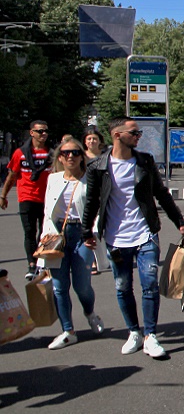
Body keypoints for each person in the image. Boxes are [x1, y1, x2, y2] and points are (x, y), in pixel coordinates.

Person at [81, 117, 184, 359]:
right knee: (122, 286)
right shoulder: (98, 166)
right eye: (134, 132)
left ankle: (150, 335)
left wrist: (178, 220)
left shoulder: (144, 161)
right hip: (115, 237)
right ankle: (134, 332)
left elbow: (161, 194)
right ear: (117, 135)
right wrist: (86, 232)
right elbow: (92, 202)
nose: (138, 135)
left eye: (139, 132)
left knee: (149, 283)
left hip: (145, 232)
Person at [37, 136, 105, 350]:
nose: (70, 157)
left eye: (75, 152)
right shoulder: (54, 179)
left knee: (82, 285)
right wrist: (45, 237)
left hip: (82, 234)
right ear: (60, 157)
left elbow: (98, 208)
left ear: (82, 156)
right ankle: (68, 331)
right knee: (59, 286)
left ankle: (90, 313)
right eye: (66, 153)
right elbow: (48, 211)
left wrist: (93, 234)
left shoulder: (90, 179)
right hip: (58, 235)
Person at [1, 121, 53, 280]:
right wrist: (3, 196)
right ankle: (31, 264)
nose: (43, 134)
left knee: (45, 232)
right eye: (40, 131)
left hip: (47, 197)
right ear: (32, 133)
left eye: (45, 131)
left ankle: (40, 261)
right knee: (29, 232)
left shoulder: (51, 153)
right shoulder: (20, 153)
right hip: (27, 197)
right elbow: (12, 175)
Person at [82, 127, 106, 275]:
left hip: (102, 195)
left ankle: (100, 258)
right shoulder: (80, 157)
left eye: (94, 139)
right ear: (85, 141)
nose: (92, 141)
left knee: (98, 228)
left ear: (99, 141)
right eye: (89, 139)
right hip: (85, 195)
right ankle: (91, 260)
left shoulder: (106, 156)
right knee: (88, 227)